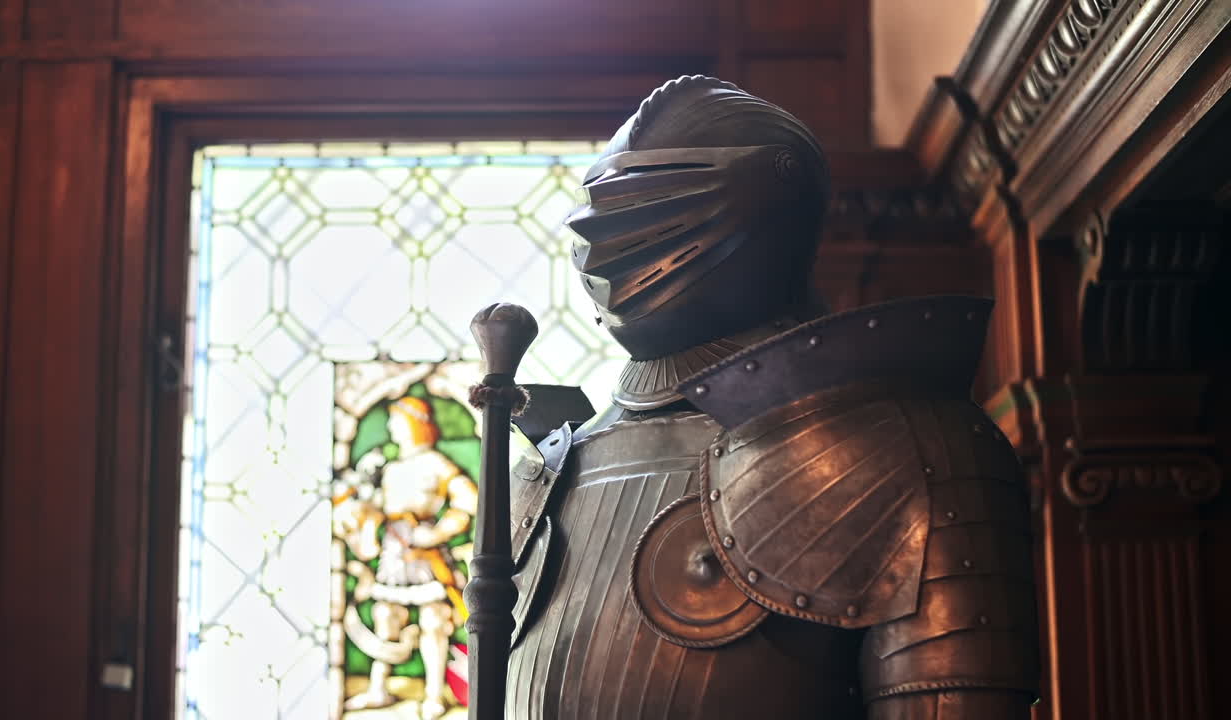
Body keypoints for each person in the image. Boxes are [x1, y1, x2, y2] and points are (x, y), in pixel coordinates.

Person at [502, 76, 1041, 719]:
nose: (605, 225)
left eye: (650, 193)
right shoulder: (546, 471)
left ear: (770, 203)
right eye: (606, 197)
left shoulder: (911, 450)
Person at [333, 396, 476, 719]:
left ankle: (434, 693)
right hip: (393, 553)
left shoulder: (437, 464)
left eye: (396, 420)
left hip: (425, 553)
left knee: (434, 620)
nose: (391, 427)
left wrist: (437, 533)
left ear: (414, 422)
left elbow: (468, 501)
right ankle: (377, 688)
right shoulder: (391, 469)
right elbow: (378, 512)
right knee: (386, 615)